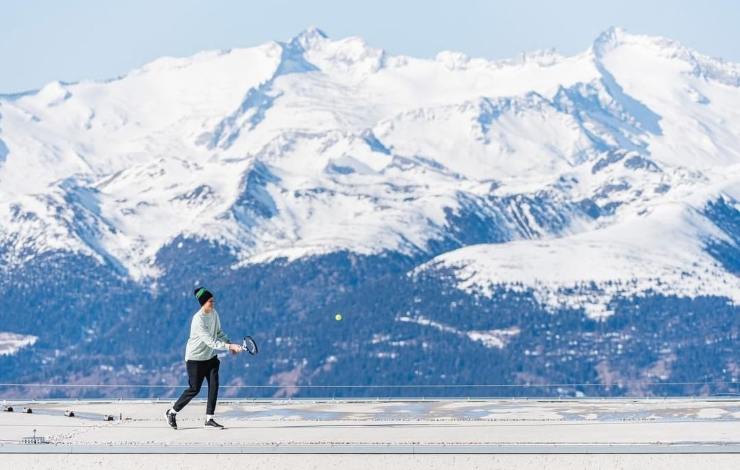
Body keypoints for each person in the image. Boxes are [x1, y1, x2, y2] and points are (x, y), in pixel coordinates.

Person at [165, 287, 242, 429]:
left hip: (210, 358)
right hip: (195, 359)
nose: (213, 303)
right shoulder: (198, 319)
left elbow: (218, 332)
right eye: (210, 301)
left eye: (213, 300)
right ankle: (172, 412)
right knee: (194, 389)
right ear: (203, 303)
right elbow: (211, 341)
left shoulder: (214, 314)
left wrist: (230, 343)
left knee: (214, 386)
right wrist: (229, 347)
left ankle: (209, 419)